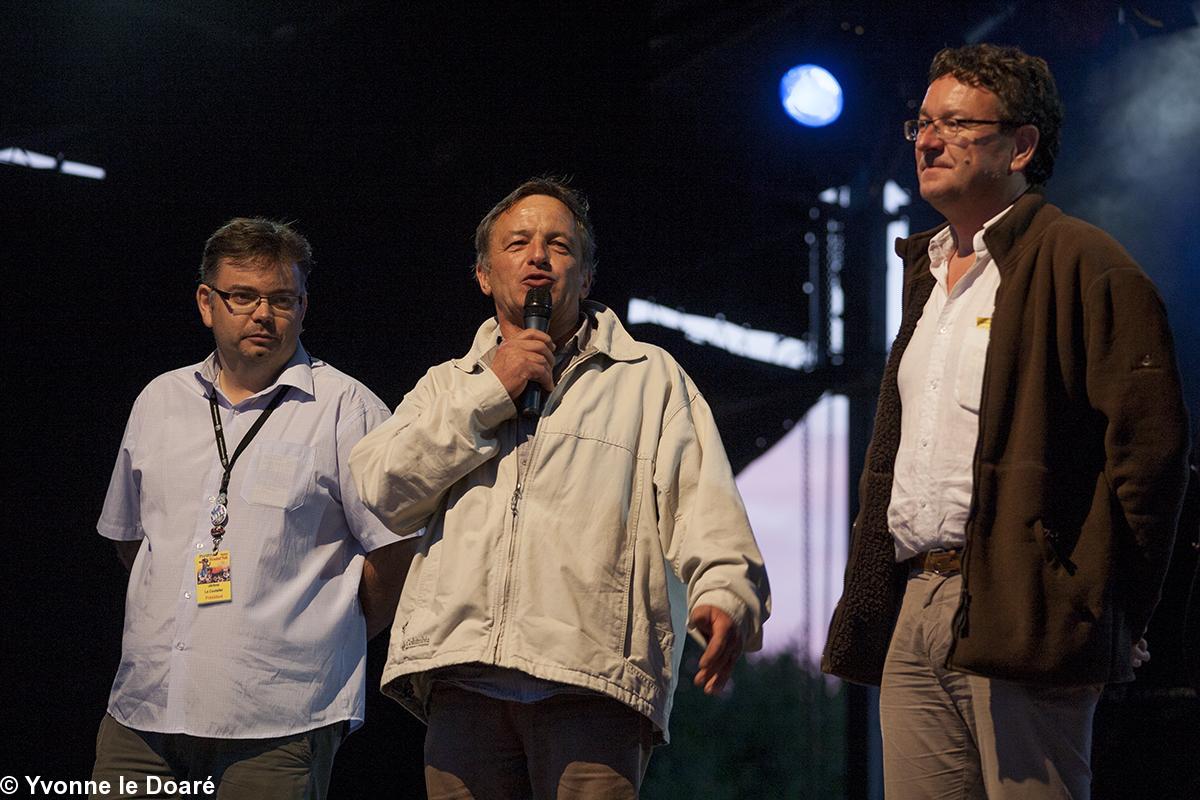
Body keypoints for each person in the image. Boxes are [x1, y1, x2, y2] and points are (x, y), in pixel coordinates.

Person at [822, 43, 1190, 798]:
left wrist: (1099, 607)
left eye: (956, 125)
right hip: (915, 599)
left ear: (1021, 145)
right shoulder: (925, 276)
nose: (928, 141)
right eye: (921, 124)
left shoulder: (1086, 263)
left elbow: (1150, 458)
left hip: (1029, 605)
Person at [349, 178, 770, 799]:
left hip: (591, 680)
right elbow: (380, 488)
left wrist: (727, 595)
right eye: (518, 243)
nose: (538, 257)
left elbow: (705, 505)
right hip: (463, 679)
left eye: (559, 245)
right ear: (485, 276)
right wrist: (490, 391)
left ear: (587, 275)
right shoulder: (449, 384)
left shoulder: (647, 378)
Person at [92, 218, 414, 799]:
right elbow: (131, 540)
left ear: (303, 305)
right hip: (144, 708)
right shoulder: (158, 400)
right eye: (242, 296)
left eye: (282, 299)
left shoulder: (348, 408)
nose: (262, 314)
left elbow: (395, 554)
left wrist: (323, 630)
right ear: (206, 303)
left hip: (280, 716)